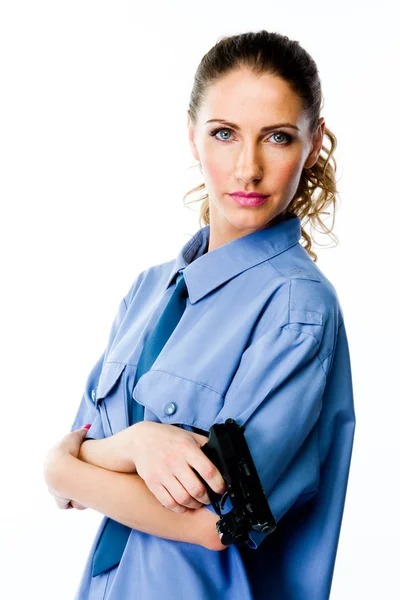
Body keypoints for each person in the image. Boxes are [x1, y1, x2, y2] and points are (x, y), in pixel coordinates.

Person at [43, 30, 356, 600]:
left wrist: (63, 467)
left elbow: (216, 523)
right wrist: (133, 444)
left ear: (313, 146)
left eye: (278, 138)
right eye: (224, 133)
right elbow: (79, 467)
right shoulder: (148, 290)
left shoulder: (297, 308)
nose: (247, 168)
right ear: (192, 136)